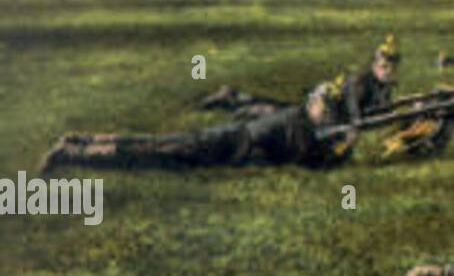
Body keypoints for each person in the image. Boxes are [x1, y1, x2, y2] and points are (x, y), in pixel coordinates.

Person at [38, 79, 357, 174]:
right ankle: (72, 153)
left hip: (227, 139)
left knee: (153, 146)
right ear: (313, 103)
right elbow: (309, 160)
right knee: (153, 153)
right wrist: (343, 149)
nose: (326, 116)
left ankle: (81, 141)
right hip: (224, 145)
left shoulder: (297, 117)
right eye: (324, 108)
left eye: (330, 112)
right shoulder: (298, 123)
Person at [197, 35, 400, 122]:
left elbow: (381, 106)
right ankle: (241, 106)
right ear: (374, 66)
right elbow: (354, 107)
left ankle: (236, 97)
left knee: (286, 110)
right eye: (383, 67)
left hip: (331, 108)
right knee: (287, 114)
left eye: (391, 68)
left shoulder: (382, 83)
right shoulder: (361, 81)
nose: (387, 72)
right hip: (325, 104)